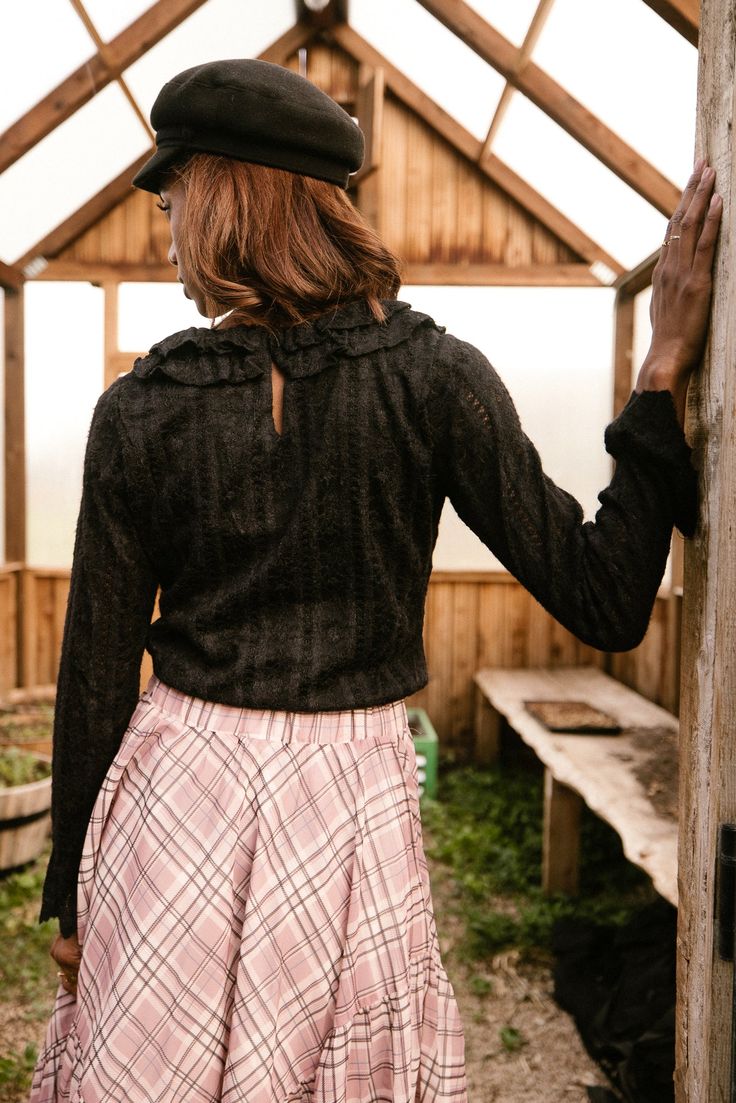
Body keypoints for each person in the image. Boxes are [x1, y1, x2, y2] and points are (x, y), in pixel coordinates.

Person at [30, 57, 720, 1103]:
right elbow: (608, 597)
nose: (168, 234)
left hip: (177, 792)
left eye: (173, 202)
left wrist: (72, 898)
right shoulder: (434, 375)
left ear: (224, 201)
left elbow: (93, 674)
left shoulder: (142, 405)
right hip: (346, 797)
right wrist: (660, 371)